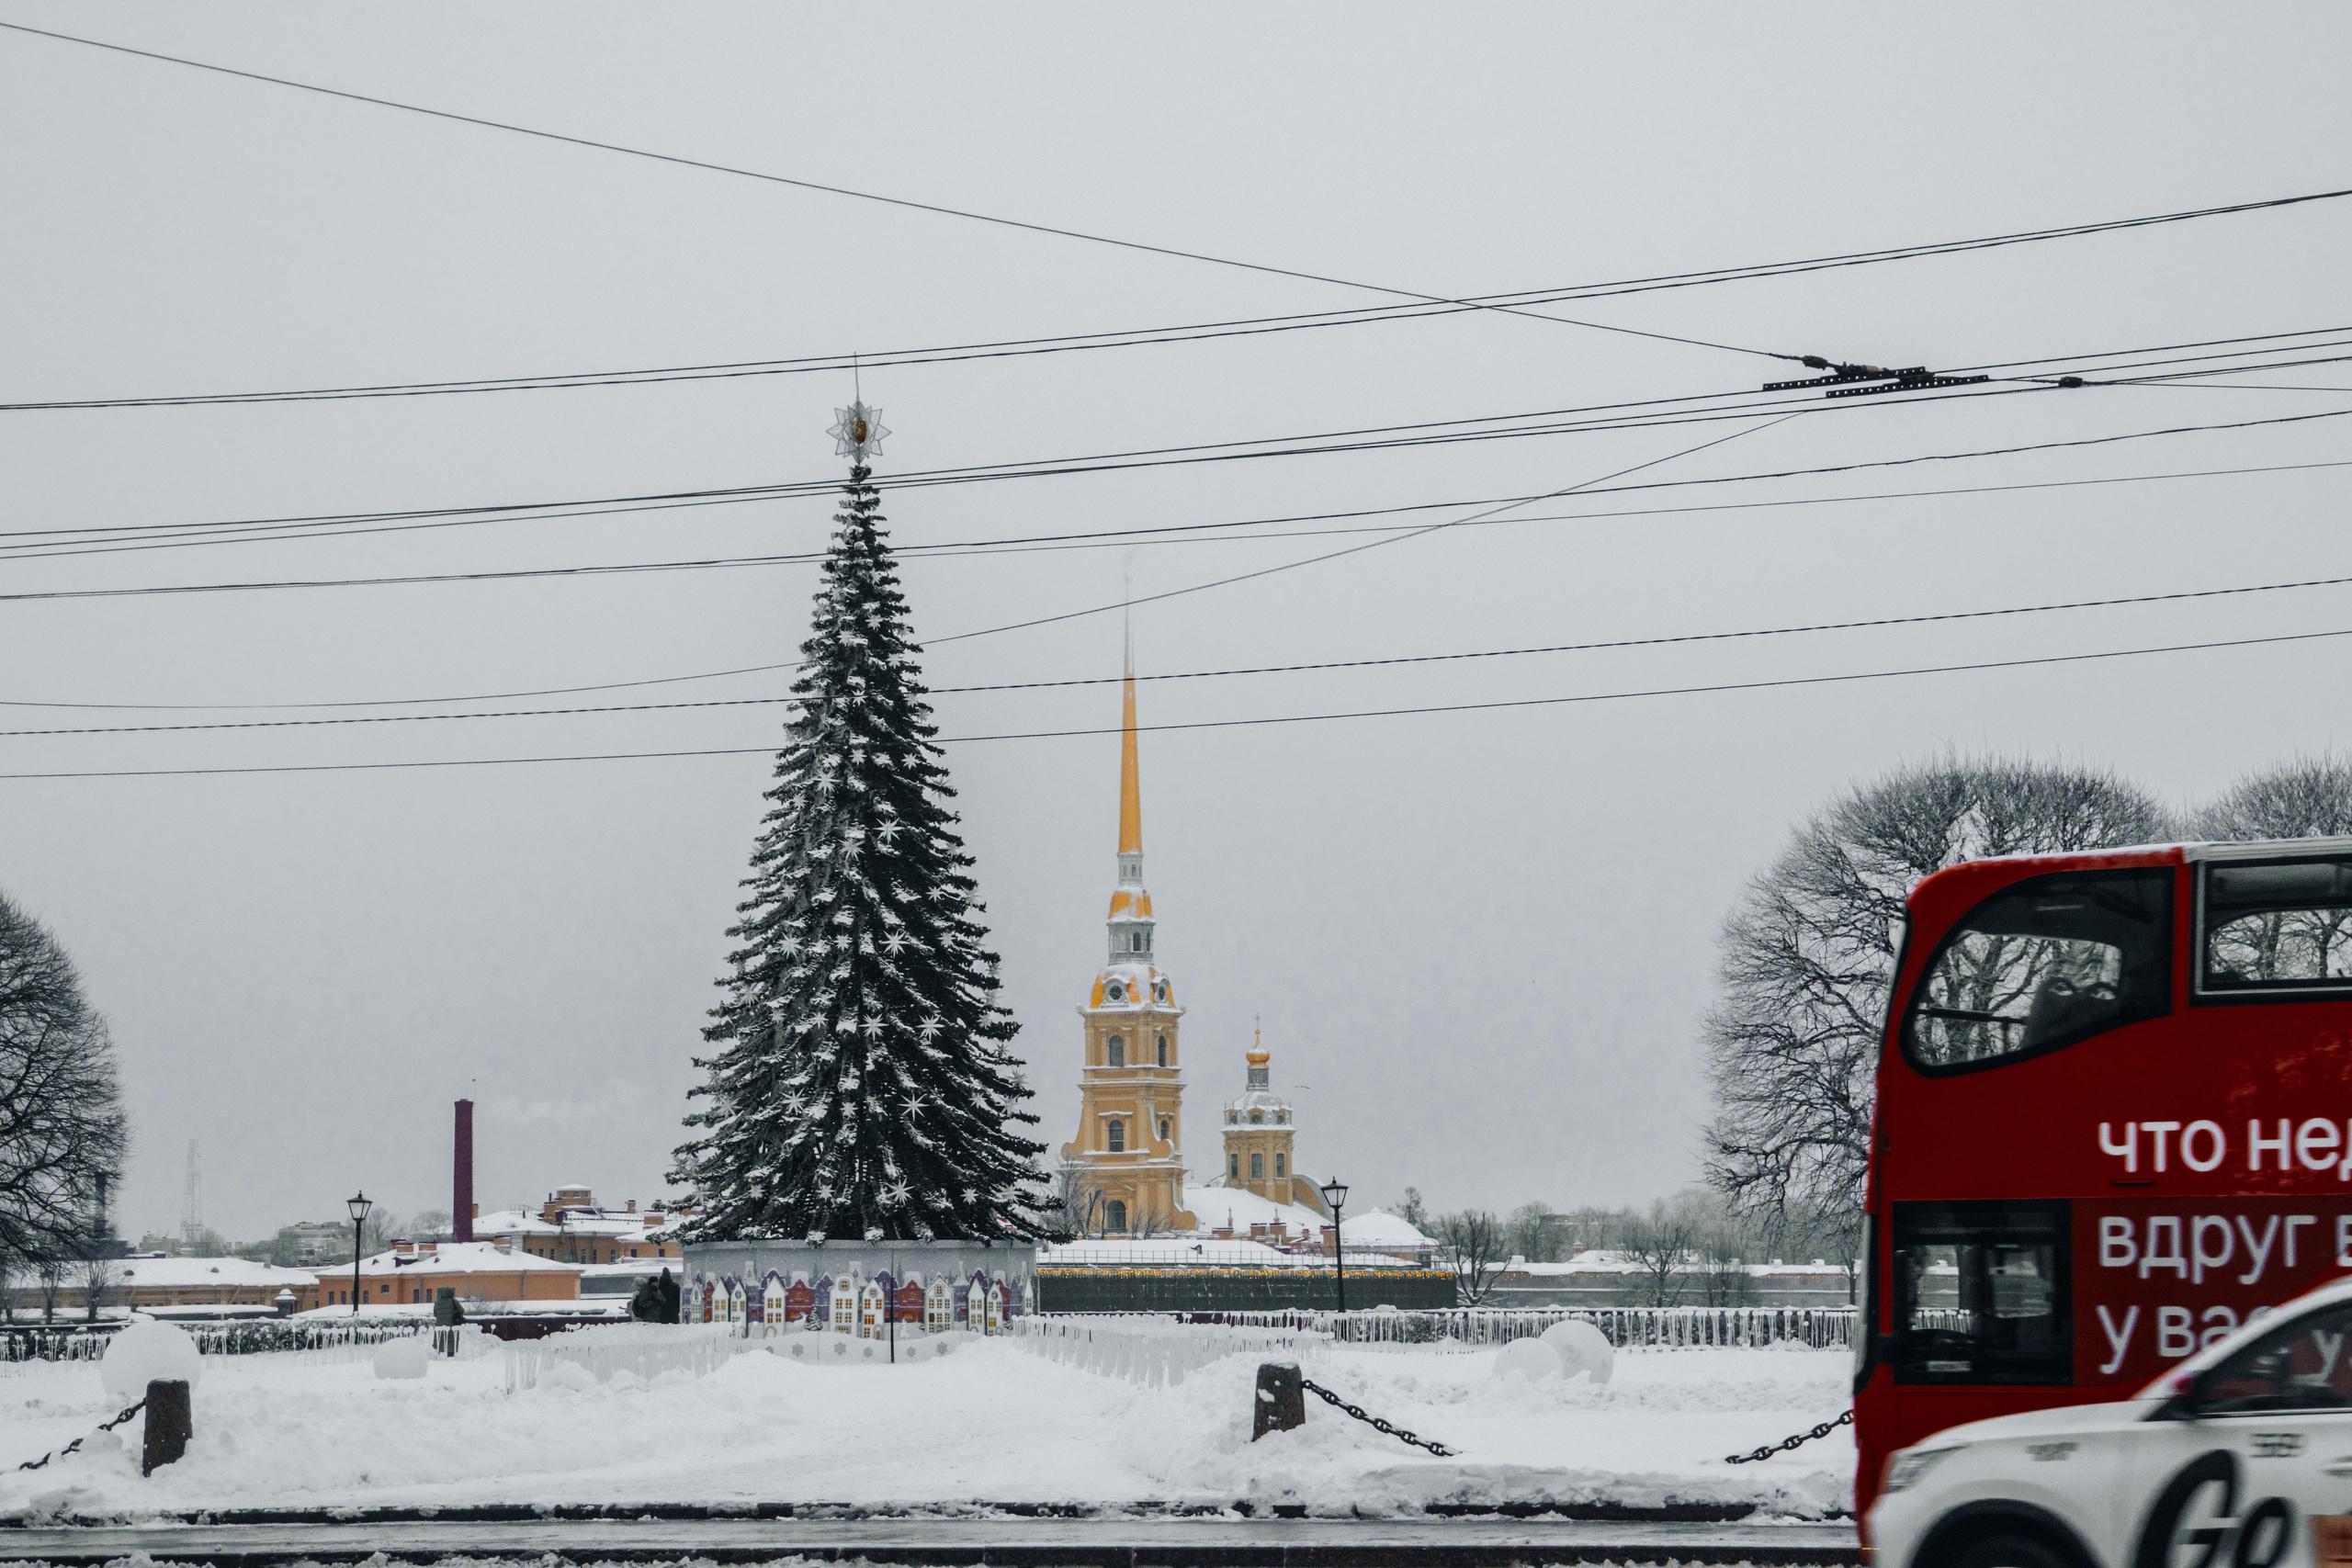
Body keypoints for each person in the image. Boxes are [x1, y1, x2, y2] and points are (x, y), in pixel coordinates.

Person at [431, 1286, 466, 1354]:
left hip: (439, 1326)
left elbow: (435, 1314)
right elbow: (461, 1311)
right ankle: (450, 1357)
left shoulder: (437, 1302)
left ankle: (440, 1356)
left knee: (440, 1341)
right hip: (451, 1325)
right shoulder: (453, 1301)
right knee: (451, 1342)